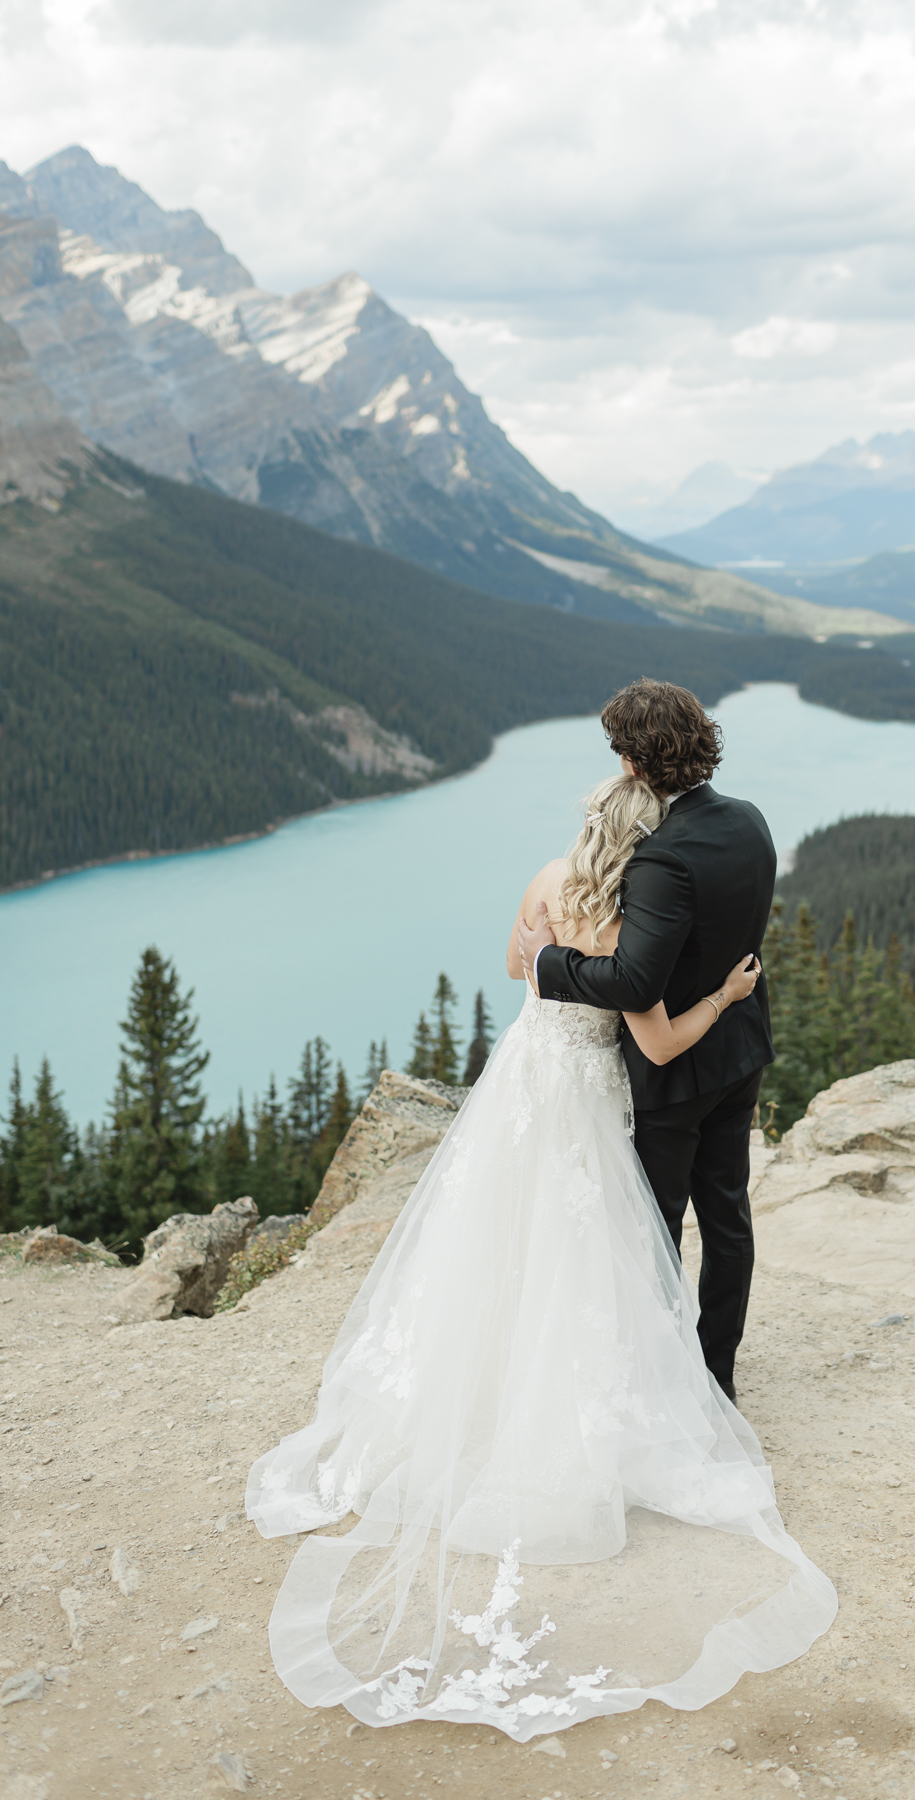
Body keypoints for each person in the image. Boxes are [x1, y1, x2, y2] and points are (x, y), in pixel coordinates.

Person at [246, 735, 836, 1744]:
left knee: (498, 1244)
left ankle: (470, 1393)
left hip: (521, 1085)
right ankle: (628, 1401)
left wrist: (547, 959)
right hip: (593, 1103)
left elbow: (515, 962)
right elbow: (657, 1040)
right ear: (640, 847)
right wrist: (727, 997)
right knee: (594, 1254)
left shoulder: (547, 881)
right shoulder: (625, 919)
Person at [520, 677, 776, 1405]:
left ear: (632, 762)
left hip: (675, 1073)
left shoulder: (662, 856)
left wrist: (548, 964)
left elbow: (634, 983)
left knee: (654, 1229)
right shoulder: (748, 820)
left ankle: (661, 1389)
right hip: (741, 1049)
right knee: (727, 1214)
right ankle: (716, 1374)